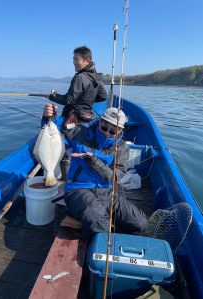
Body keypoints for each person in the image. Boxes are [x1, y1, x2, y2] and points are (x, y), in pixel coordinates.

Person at [43, 106, 148, 238]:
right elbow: (52, 132)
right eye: (104, 127)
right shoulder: (78, 132)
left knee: (140, 224)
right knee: (100, 226)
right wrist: (48, 117)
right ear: (100, 121)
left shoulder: (122, 148)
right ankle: (87, 218)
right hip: (78, 189)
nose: (107, 133)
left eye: (113, 131)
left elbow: (114, 178)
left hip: (107, 191)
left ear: (120, 130)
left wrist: (93, 160)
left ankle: (79, 220)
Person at [45, 46, 107, 128]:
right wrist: (86, 101)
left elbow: (68, 100)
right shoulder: (97, 77)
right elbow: (103, 97)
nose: (74, 62)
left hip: (73, 120)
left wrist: (52, 96)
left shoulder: (80, 77)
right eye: (73, 59)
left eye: (76, 59)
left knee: (48, 124)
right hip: (86, 120)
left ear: (87, 61)